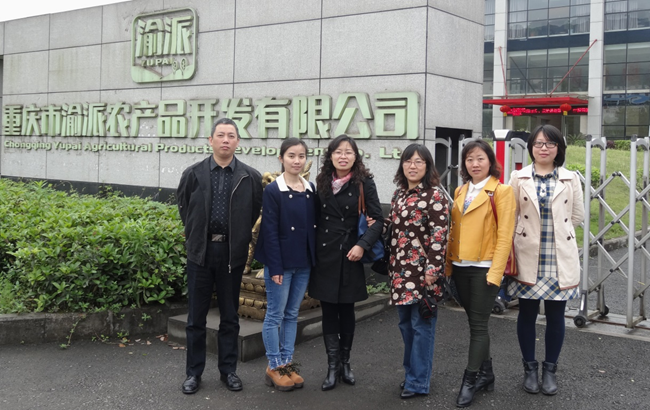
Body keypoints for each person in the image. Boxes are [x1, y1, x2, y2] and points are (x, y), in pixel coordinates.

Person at [176, 118, 263, 394]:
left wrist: (238, 240)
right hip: (200, 253)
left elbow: (253, 212)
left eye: (231, 136)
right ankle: (193, 373)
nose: (226, 140)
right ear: (210, 140)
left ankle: (229, 371)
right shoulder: (193, 173)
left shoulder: (250, 177)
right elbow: (185, 208)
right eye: (221, 135)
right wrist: (196, 237)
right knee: (195, 318)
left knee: (229, 317)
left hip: (231, 255)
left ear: (238, 141)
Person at [508, 124, 584, 396]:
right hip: (527, 253)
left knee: (556, 315)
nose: (544, 148)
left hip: (558, 254)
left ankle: (550, 370)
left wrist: (558, 233)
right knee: (527, 313)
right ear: (531, 147)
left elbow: (577, 216)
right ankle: (529, 369)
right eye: (538, 143)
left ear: (558, 148)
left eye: (550, 143)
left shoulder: (570, 178)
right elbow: (511, 214)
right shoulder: (518, 177)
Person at [308, 134, 383, 391]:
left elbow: (378, 219)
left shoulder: (364, 183)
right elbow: (314, 218)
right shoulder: (321, 182)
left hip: (351, 254)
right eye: (338, 152)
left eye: (348, 152)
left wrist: (362, 245)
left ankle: (345, 363)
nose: (343, 156)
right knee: (329, 310)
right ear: (330, 156)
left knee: (347, 310)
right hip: (326, 255)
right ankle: (332, 367)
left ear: (355, 156)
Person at [446, 139, 515, 408]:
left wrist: (495, 274)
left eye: (480, 158)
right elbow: (454, 230)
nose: (475, 164)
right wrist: (448, 266)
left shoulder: (501, 191)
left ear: (490, 162)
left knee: (478, 325)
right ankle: (487, 374)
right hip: (460, 266)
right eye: (469, 159)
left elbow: (505, 236)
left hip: (484, 267)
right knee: (474, 322)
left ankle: (470, 379)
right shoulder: (460, 190)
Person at [254, 138, 317, 391]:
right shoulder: (273, 190)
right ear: (281, 158)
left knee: (292, 314)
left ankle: (287, 363)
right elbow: (269, 231)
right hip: (281, 263)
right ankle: (274, 366)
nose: (297, 161)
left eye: (301, 156)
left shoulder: (310, 188)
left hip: (303, 262)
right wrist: (275, 267)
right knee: (275, 315)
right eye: (291, 155)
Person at [388, 144, 448, 399]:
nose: (412, 166)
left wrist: (433, 270)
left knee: (421, 327)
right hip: (400, 271)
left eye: (419, 161)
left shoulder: (435, 196)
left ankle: (418, 382)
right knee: (405, 325)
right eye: (408, 161)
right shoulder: (399, 194)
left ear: (427, 166)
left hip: (424, 273)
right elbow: (394, 227)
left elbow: (439, 235)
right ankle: (411, 374)